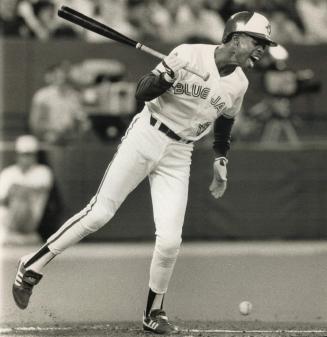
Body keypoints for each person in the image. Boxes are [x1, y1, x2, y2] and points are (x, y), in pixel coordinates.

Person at [12, 11, 277, 334]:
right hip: (147, 134)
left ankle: (154, 313)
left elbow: (225, 121)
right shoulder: (187, 54)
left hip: (181, 151)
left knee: (169, 241)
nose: (262, 49)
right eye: (257, 41)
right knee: (99, 213)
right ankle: (31, 266)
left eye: (264, 44)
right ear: (236, 39)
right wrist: (168, 76)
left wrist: (221, 158)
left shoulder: (240, 82)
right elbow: (142, 92)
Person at [0, 135, 53, 245]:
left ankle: (18, 237)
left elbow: (36, 192)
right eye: (24, 154)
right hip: (6, 223)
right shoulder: (7, 173)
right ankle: (16, 237)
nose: (27, 158)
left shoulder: (43, 172)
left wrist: (16, 189)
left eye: (30, 154)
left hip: (29, 223)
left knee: (22, 199)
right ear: (17, 155)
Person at [29, 61, 90, 145]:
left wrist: (81, 127)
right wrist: (54, 131)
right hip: (49, 142)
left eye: (66, 73)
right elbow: (35, 124)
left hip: (72, 143)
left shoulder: (76, 97)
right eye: (60, 73)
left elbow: (83, 123)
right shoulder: (42, 96)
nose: (63, 76)